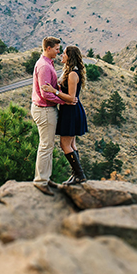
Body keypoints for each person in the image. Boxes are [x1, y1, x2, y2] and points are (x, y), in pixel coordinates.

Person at [42, 45, 87, 185]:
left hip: (71, 111)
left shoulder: (73, 74)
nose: (62, 55)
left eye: (65, 53)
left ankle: (80, 174)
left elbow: (72, 98)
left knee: (64, 144)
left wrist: (53, 91)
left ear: (70, 57)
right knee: (71, 144)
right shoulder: (69, 72)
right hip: (68, 110)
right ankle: (76, 175)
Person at [31, 36, 63, 195]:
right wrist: (63, 101)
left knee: (48, 146)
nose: (59, 51)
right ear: (48, 48)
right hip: (44, 110)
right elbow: (45, 93)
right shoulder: (44, 66)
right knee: (45, 146)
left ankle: (45, 177)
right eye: (57, 49)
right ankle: (41, 181)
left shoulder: (47, 63)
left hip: (45, 109)